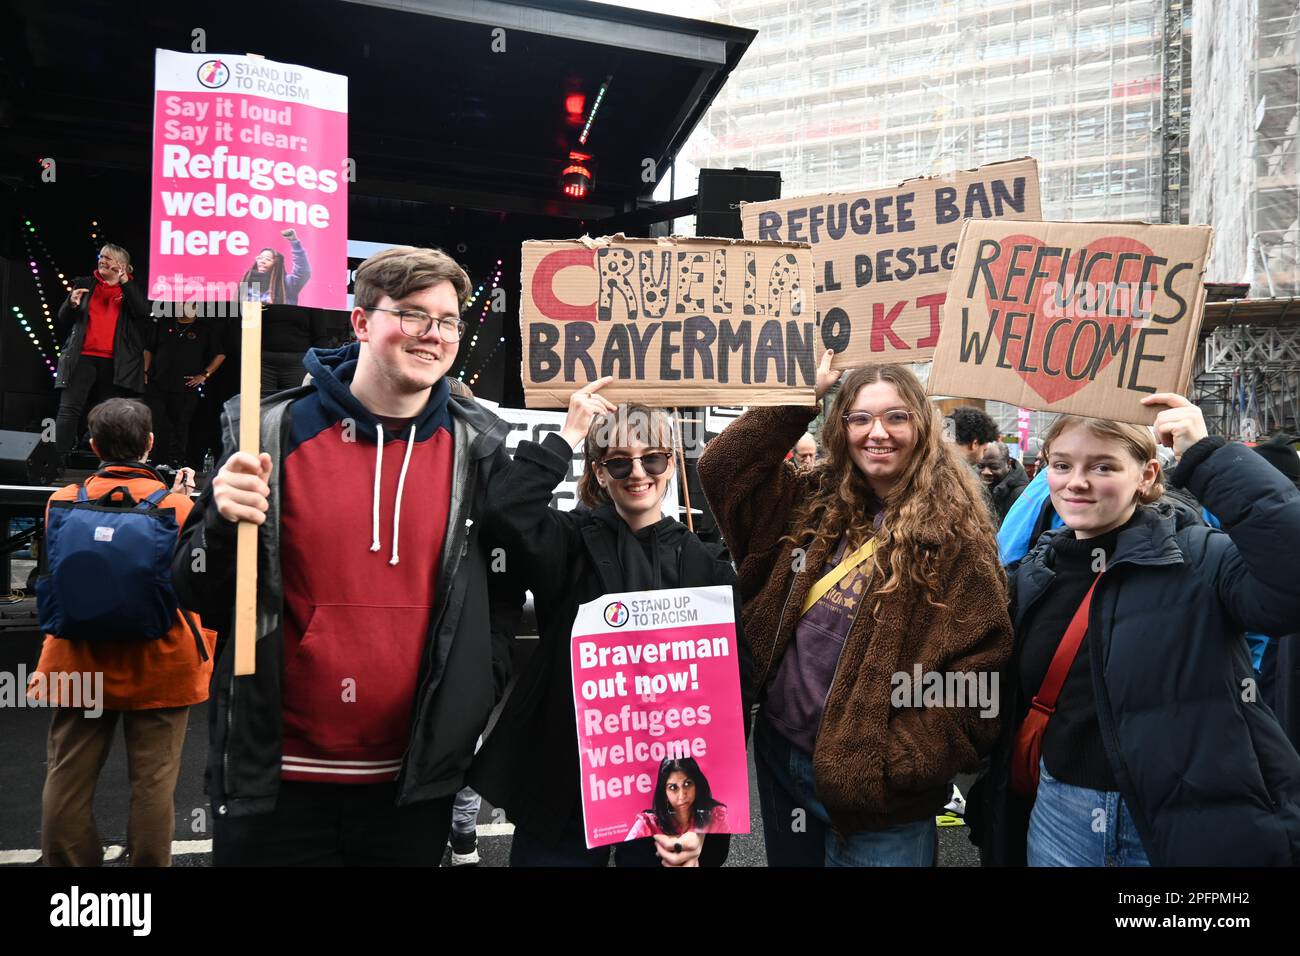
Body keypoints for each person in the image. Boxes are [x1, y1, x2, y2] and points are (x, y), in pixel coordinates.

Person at [171, 245, 520, 866]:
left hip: (409, 789)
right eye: (412, 315)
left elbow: (500, 594)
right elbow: (193, 589)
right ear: (360, 322)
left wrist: (475, 691)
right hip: (275, 783)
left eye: (447, 321)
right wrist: (221, 524)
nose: (433, 335)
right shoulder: (267, 432)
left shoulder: (482, 449)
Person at [698, 350, 1013, 867]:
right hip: (783, 761)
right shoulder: (811, 501)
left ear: (922, 425)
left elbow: (978, 678)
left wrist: (893, 763)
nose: (877, 432)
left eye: (895, 416)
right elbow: (723, 468)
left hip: (882, 797)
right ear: (840, 427)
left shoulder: (960, 539)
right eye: (860, 418)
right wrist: (800, 399)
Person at [967, 395, 1300, 866]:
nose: (1077, 483)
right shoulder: (1037, 572)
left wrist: (1207, 455)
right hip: (1061, 819)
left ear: (1145, 476)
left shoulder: (1200, 557)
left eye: (1103, 467)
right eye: (1062, 465)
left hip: (1186, 821)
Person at [470, 383, 754, 868]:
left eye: (654, 459)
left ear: (671, 465)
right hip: (568, 783)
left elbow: (731, 693)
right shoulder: (569, 540)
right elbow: (504, 513)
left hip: (667, 797)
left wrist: (701, 817)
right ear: (600, 473)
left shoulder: (705, 565)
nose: (638, 472)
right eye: (619, 461)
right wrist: (568, 434)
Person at [28, 398, 216, 866]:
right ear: (150, 443)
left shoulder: (61, 502)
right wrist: (186, 499)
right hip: (161, 664)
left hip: (77, 664)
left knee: (67, 778)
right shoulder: (176, 507)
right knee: (154, 782)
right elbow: (196, 578)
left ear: (93, 446)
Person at [54, 244, 153, 461]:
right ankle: (55, 463)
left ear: (123, 265)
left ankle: (109, 462)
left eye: (109, 258)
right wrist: (71, 304)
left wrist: (125, 281)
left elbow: (144, 313)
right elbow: (62, 320)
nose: (103, 260)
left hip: (116, 362)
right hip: (82, 358)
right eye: (101, 256)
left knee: (110, 415)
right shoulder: (84, 284)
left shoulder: (132, 289)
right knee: (68, 410)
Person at [143, 301, 227, 469]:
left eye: (189, 304)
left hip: (186, 386)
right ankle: (157, 460)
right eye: (182, 304)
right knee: (158, 423)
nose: (184, 307)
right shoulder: (164, 323)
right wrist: (145, 371)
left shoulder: (205, 329)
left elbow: (220, 354)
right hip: (158, 382)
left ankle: (176, 462)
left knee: (181, 425)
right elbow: (148, 349)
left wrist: (204, 375)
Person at [625, 758, 729, 846]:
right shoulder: (646, 825)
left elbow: (719, 856)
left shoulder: (716, 817)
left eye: (688, 784)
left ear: (697, 785)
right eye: (673, 787)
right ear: (664, 792)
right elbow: (625, 858)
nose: (682, 795)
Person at [978, 441, 1029, 525]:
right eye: (981, 466)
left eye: (994, 467)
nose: (985, 472)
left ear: (1008, 464)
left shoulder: (1022, 494)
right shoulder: (976, 488)